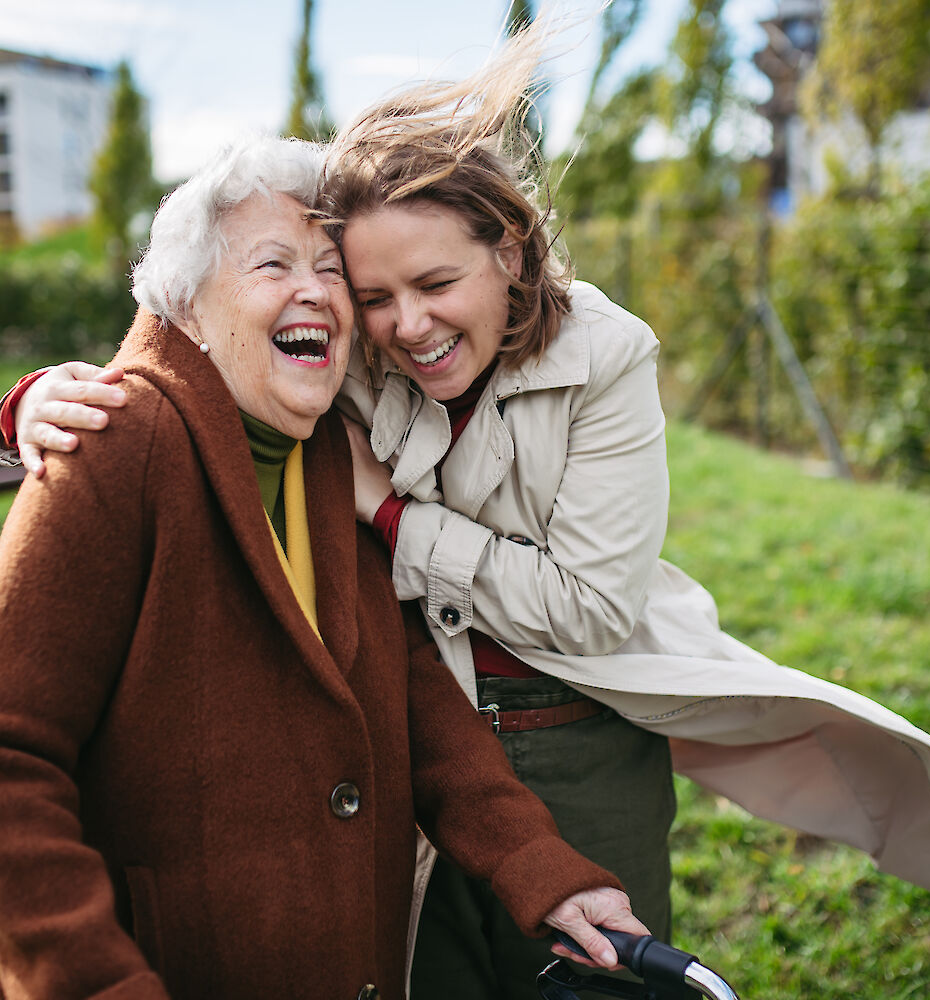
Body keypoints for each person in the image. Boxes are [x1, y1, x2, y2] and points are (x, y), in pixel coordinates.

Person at [5, 24, 930, 1000]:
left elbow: (568, 613)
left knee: (591, 972)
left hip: (572, 716)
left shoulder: (589, 366)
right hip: (407, 756)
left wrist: (389, 515)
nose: (402, 324)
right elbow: (181, 356)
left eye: (431, 283)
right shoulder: (297, 379)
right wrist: (25, 408)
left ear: (514, 256)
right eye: (369, 290)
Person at [0, 135, 651, 1000]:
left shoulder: (323, 451)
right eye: (272, 263)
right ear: (187, 307)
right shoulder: (116, 442)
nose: (315, 289)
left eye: (328, 267)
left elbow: (407, 684)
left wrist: (541, 866)